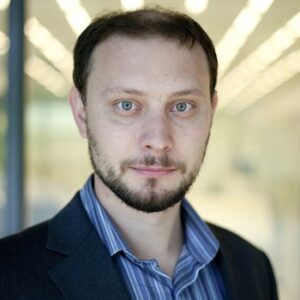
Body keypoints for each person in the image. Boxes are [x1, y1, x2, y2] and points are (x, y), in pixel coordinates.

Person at [0, 8, 278, 300]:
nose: (158, 140)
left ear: (210, 112)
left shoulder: (252, 267)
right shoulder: (7, 278)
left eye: (182, 106)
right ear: (82, 114)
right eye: (126, 105)